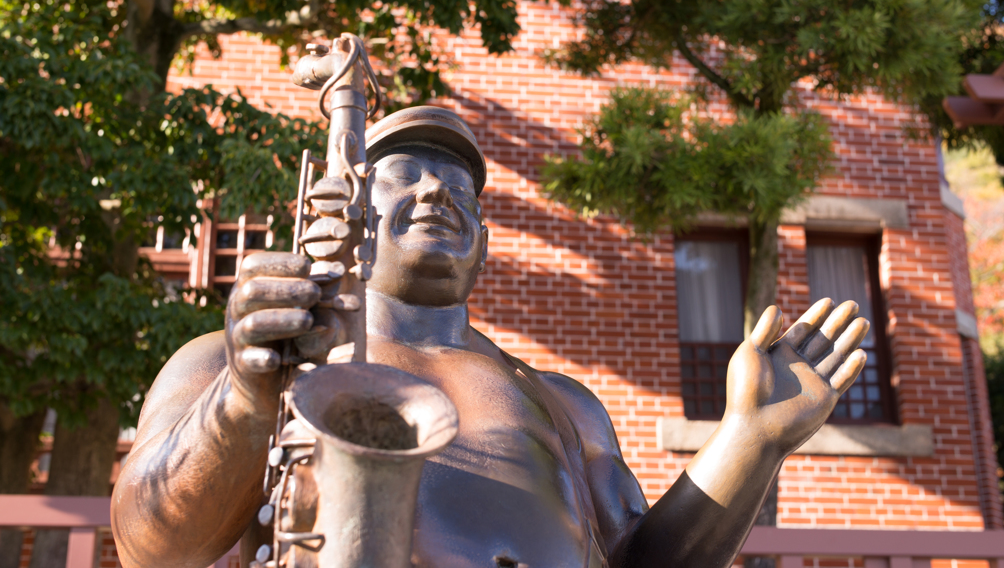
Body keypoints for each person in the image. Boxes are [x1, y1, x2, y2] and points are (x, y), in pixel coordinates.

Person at [111, 107, 869, 568]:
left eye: (461, 191)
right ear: (340, 204)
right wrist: (248, 399)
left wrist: (750, 442)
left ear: (483, 241)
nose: (437, 190)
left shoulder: (565, 404)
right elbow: (155, 545)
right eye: (401, 174)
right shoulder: (231, 360)